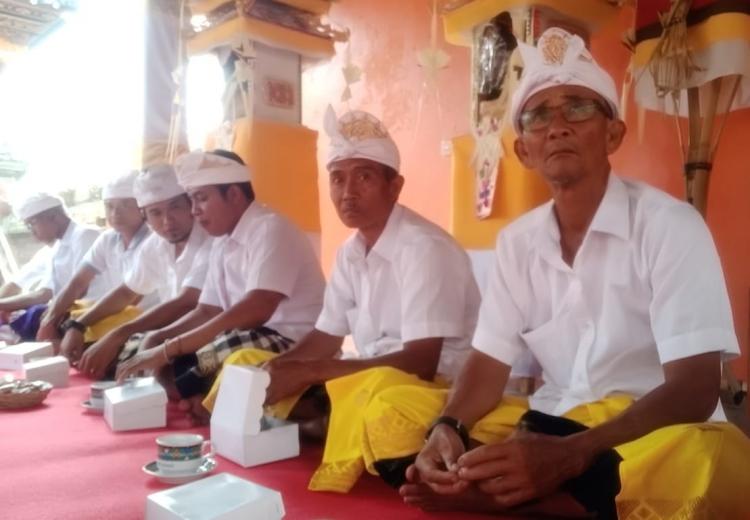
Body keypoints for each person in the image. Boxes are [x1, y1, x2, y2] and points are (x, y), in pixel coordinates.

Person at [356, 28, 750, 519]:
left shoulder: (671, 225)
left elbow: (695, 390)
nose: (557, 126)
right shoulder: (516, 242)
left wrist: (572, 454)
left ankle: (532, 497)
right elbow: (488, 363)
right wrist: (449, 428)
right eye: (538, 116)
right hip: (550, 421)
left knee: (708, 460)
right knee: (392, 410)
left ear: (613, 134)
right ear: (524, 150)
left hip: (644, 430)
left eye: (578, 108)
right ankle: (541, 492)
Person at [201, 107, 481, 493]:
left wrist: (311, 372)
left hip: (429, 387)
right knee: (248, 362)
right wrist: (280, 366)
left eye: (364, 177)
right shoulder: (350, 252)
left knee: (379, 396)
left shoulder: (425, 248)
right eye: (337, 178)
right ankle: (328, 425)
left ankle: (327, 426)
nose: (347, 192)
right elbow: (326, 335)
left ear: (395, 187)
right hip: (368, 378)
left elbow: (421, 362)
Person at [116, 150, 326, 424]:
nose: (194, 210)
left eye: (201, 198)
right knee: (138, 346)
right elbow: (206, 311)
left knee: (223, 351)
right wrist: (159, 339)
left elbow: (257, 308)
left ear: (234, 195)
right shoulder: (221, 241)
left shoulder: (269, 228)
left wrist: (169, 350)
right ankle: (202, 396)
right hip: (243, 336)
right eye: (192, 200)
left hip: (291, 342)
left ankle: (197, 394)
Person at [66, 164, 212, 379]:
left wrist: (121, 334)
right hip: (170, 333)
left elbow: (187, 302)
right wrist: (78, 325)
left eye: (175, 207)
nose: (167, 221)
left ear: (191, 204)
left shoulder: (211, 239)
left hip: (206, 335)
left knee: (170, 374)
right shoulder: (157, 244)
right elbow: (127, 292)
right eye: (156, 212)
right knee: (113, 365)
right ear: (145, 215)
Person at [37, 171, 152, 343]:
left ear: (142, 207)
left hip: (144, 318)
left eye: (125, 205)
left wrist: (77, 325)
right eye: (109, 206)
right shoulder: (108, 239)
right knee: (51, 314)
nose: (115, 213)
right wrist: (50, 320)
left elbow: (130, 298)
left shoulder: (154, 240)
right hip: (118, 313)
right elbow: (78, 282)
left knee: (79, 330)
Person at [0, 193, 101, 340]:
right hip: (67, 310)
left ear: (54, 217)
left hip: (89, 311)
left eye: (32, 224)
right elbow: (46, 292)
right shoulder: (57, 247)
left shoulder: (85, 235)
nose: (31, 231)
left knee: (32, 315)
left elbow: (77, 289)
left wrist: (50, 319)